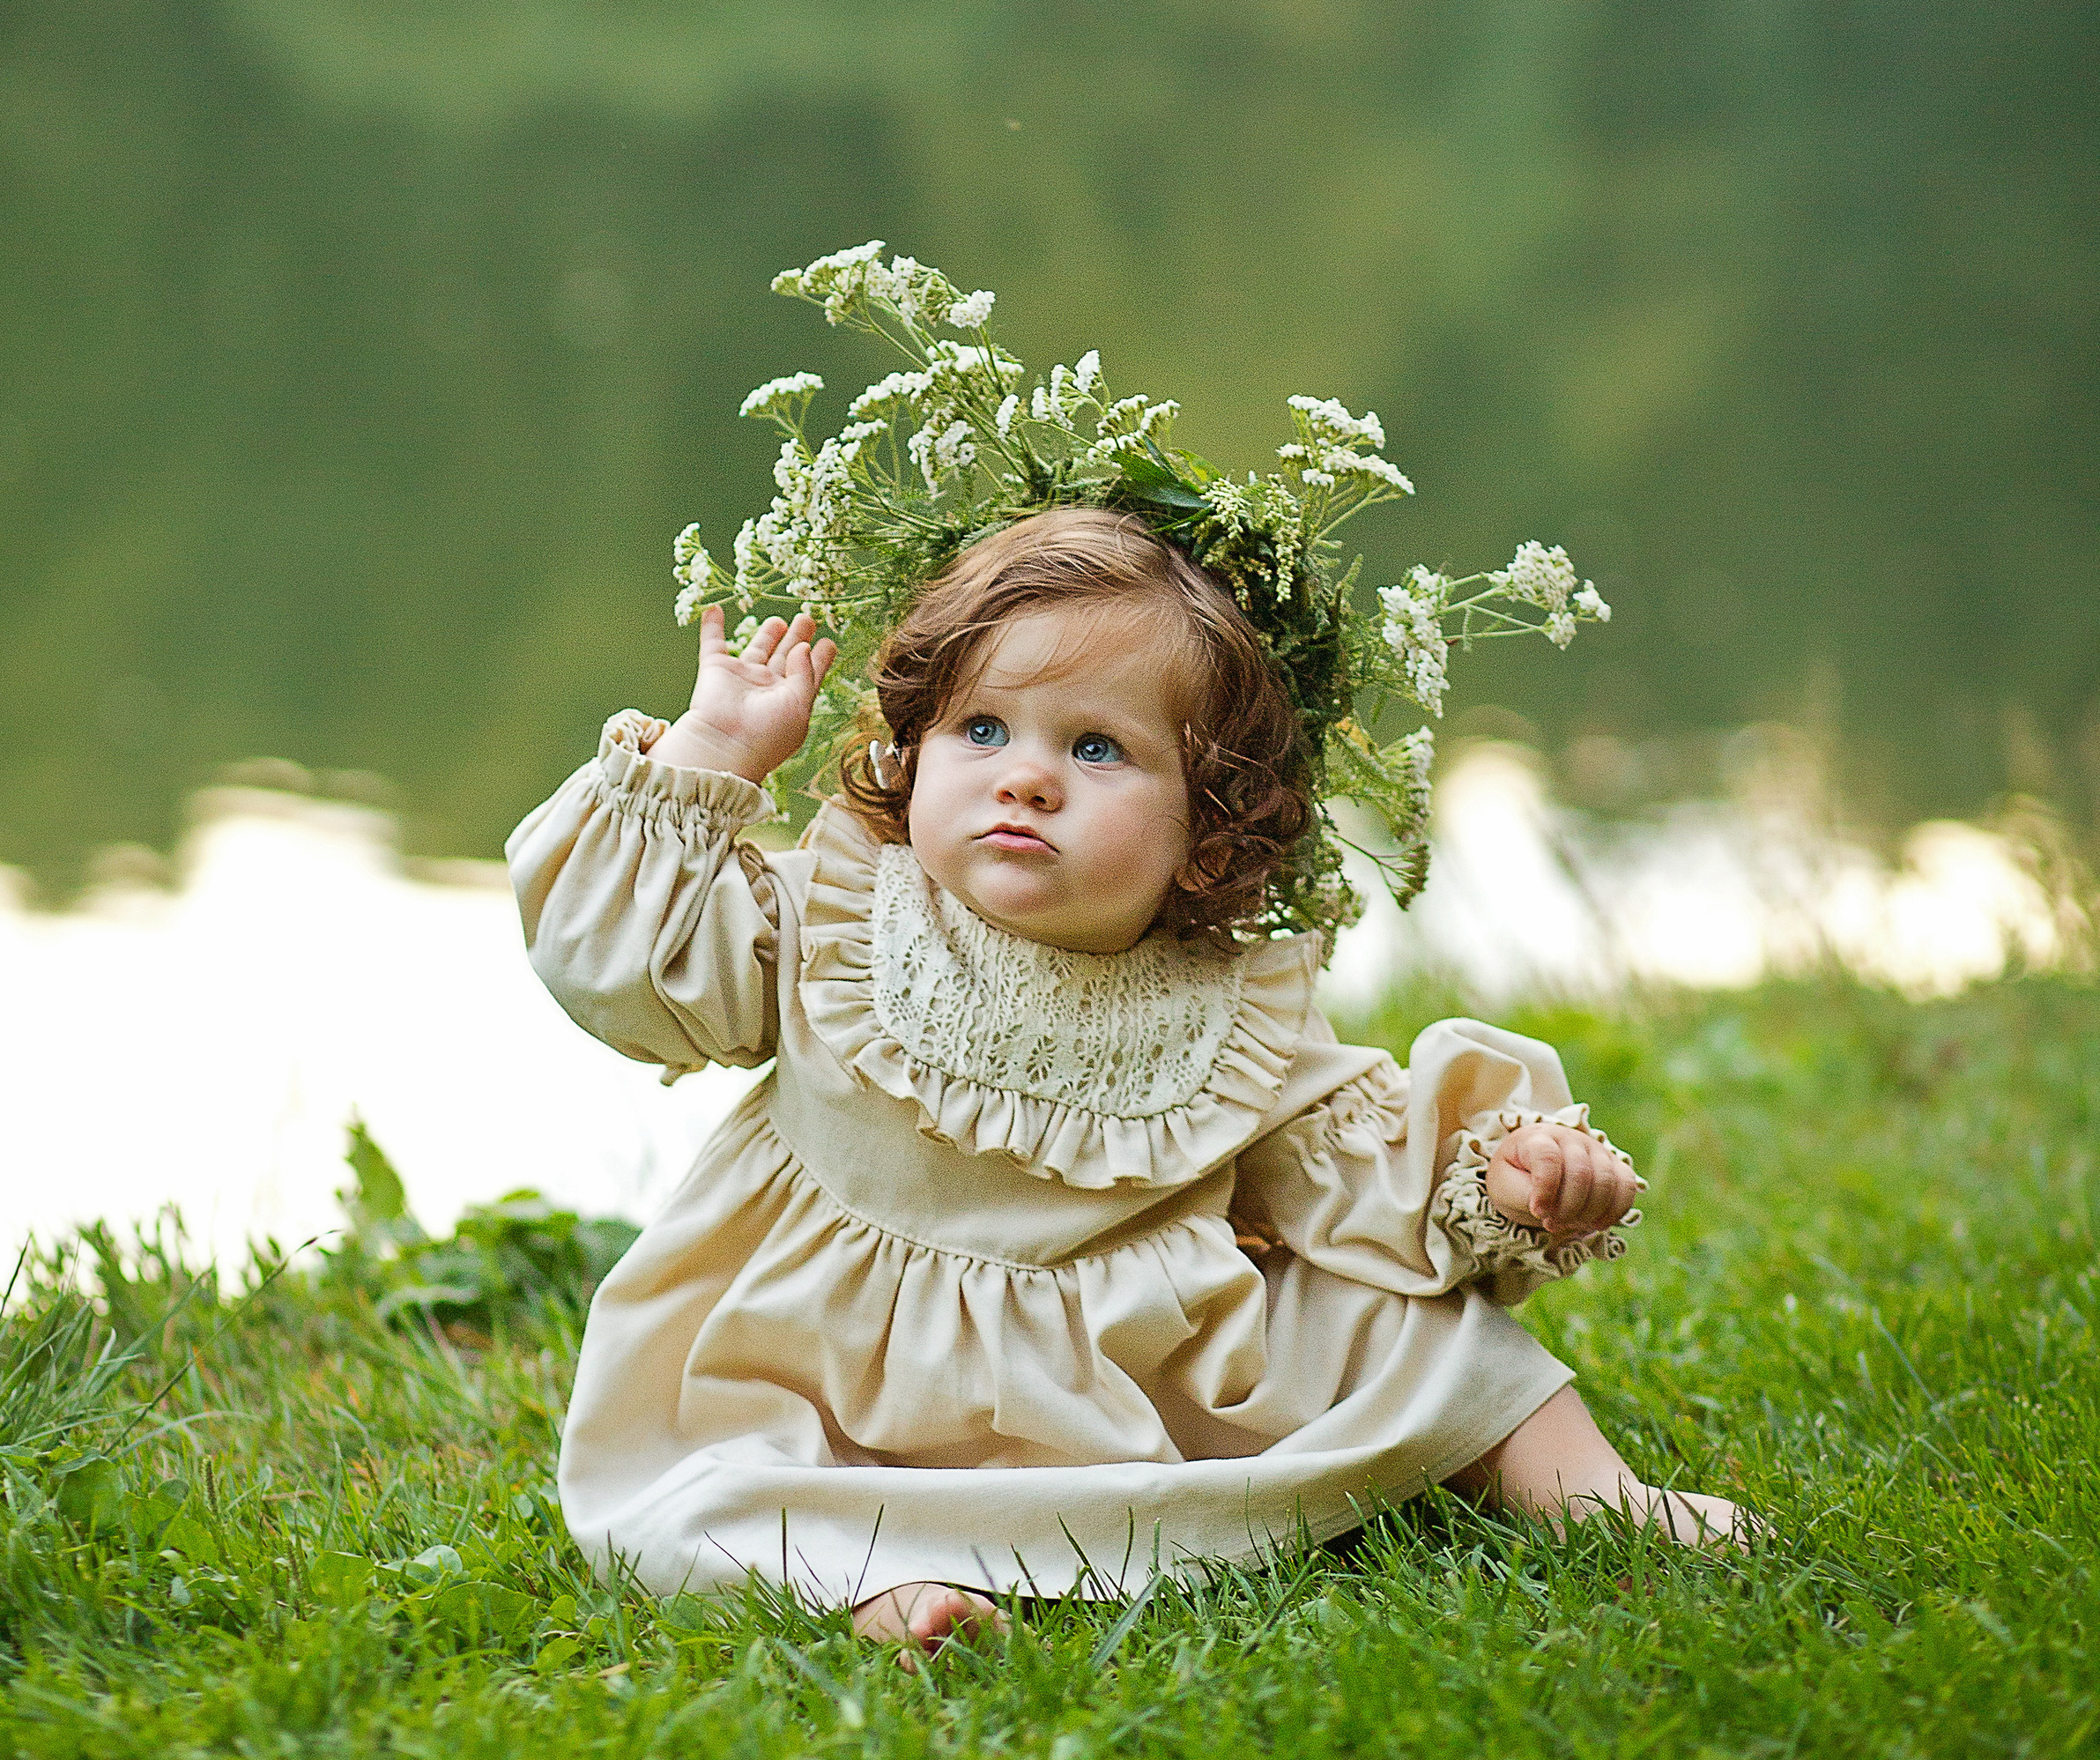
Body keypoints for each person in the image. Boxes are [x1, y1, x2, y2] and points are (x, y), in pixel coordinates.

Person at [511, 501, 1748, 1654]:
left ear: (1209, 827)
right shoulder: (833, 924)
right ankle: (877, 1584)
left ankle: (1601, 1500)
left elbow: (1364, 1183)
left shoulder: (1225, 1008)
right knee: (706, 1482)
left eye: (1097, 748)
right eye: (981, 729)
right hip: (826, 1374)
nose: (1026, 776)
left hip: (1127, 1374)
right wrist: (708, 756)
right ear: (913, 746)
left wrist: (1511, 1178)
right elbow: (623, 974)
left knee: (1414, 1328)